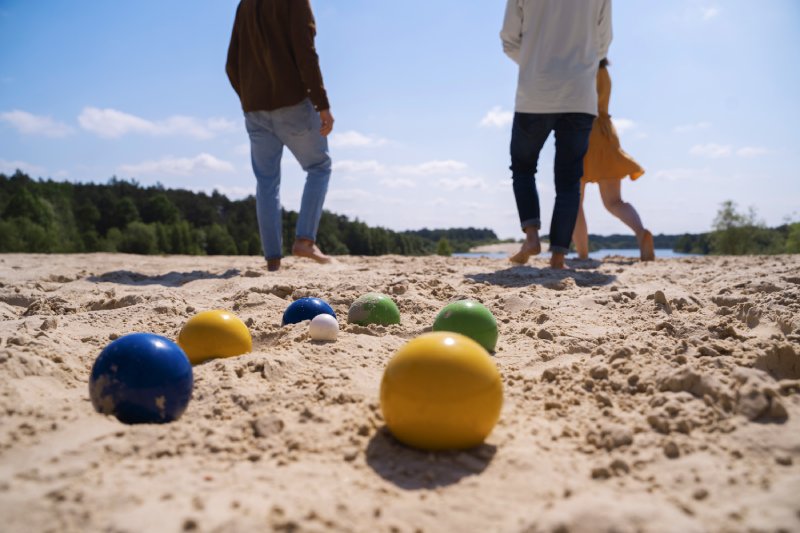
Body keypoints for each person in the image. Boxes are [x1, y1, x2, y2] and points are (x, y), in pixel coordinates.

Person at [500, 0, 612, 269]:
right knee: (569, 180)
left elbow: (508, 39)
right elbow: (603, 42)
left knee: (523, 167)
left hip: (535, 92)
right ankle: (559, 256)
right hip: (579, 94)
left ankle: (531, 238)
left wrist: (534, 61)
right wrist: (579, 64)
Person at [226, 0, 334, 272]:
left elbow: (231, 64)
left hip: (254, 108)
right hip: (293, 103)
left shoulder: (245, 5)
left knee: (266, 182)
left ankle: (273, 260)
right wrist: (322, 104)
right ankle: (305, 241)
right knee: (319, 166)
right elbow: (306, 53)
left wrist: (249, 97)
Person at [572, 59, 655, 261]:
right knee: (614, 201)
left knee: (575, 202)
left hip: (582, 132)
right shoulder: (602, 69)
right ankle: (641, 233)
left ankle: (582, 254)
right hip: (605, 132)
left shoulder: (578, 67)